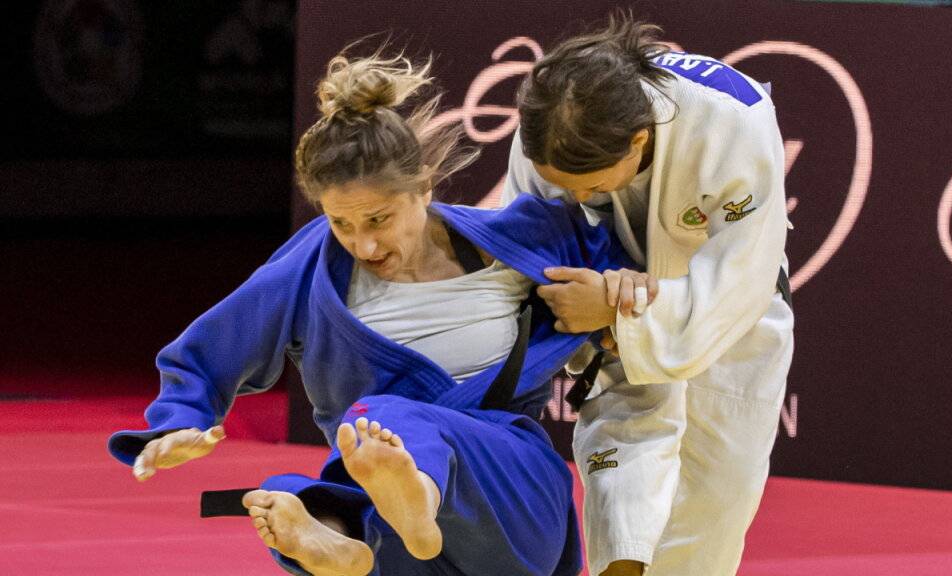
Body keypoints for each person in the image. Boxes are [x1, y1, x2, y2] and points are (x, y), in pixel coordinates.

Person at [107, 45, 643, 576]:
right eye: (342, 223)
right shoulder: (313, 270)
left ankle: (409, 505)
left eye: (379, 219)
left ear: (424, 188)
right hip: (404, 542)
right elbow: (207, 353)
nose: (362, 245)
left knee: (382, 419)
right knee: (288, 497)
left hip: (511, 507)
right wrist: (178, 423)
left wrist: (615, 296)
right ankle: (345, 542)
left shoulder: (523, 240)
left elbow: (630, 270)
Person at [502, 13, 794, 576]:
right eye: (564, 183)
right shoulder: (543, 130)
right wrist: (595, 302)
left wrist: (628, 311)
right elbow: (528, 243)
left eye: (590, 185)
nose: (575, 194)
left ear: (638, 141)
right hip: (598, 303)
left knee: (719, 490)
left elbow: (743, 273)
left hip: (721, 313)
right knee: (619, 474)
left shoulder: (733, 118)